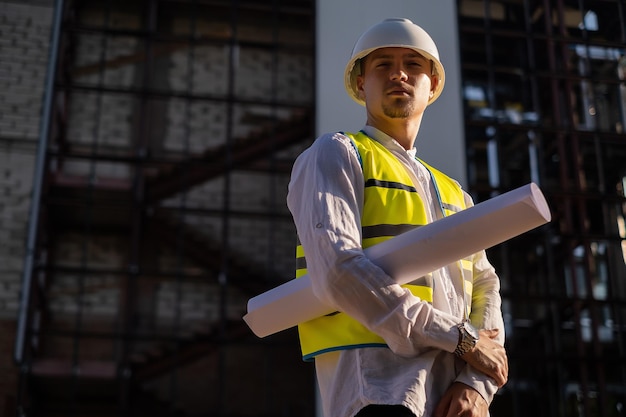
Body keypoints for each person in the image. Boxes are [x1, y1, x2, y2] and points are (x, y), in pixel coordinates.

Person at [286, 18, 508, 417]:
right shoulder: (336, 154)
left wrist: (476, 385)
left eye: (413, 65)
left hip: (455, 401)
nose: (399, 74)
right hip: (379, 392)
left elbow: (486, 288)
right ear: (360, 83)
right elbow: (339, 269)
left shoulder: (454, 191)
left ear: (433, 85)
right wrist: (461, 340)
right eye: (383, 65)